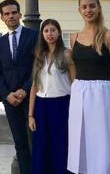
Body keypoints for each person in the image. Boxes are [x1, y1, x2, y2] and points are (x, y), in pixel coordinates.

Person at [68, 0, 110, 174]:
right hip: (79, 91)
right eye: (84, 7)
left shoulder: (109, 37)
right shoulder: (74, 37)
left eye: (92, 6)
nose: (88, 10)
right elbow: (74, 67)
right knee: (80, 136)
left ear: (99, 8)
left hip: (103, 92)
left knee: (102, 138)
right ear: (79, 10)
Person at [0, 0, 38, 174]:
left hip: (31, 98)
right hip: (10, 101)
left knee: (35, 140)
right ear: (2, 17)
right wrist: (7, 95)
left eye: (13, 12)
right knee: (19, 143)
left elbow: (38, 67)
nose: (11, 16)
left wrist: (25, 90)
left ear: (19, 14)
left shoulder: (34, 36)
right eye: (7, 14)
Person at [28, 19, 75, 174]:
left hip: (62, 105)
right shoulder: (39, 56)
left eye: (53, 30)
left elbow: (75, 83)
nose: (50, 34)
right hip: (41, 106)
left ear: (59, 32)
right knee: (41, 145)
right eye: (46, 30)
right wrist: (31, 115)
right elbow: (34, 86)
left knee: (60, 144)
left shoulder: (67, 54)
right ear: (42, 34)